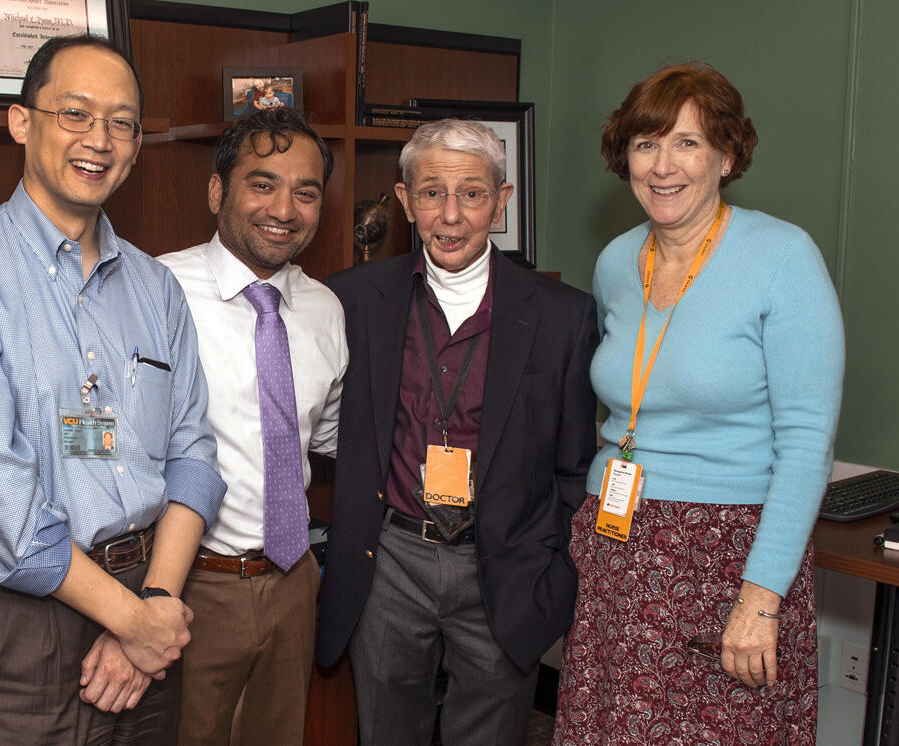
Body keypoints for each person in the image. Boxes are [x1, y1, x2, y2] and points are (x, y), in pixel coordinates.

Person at [0, 34, 227, 745]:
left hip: (150, 586)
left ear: (137, 144)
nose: (98, 140)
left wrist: (155, 603)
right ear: (21, 121)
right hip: (22, 621)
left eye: (121, 122)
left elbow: (193, 453)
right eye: (74, 113)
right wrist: (132, 622)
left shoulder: (155, 286)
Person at [553, 62, 844, 744]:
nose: (662, 165)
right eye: (645, 143)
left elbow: (806, 444)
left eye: (686, 142)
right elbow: (628, 402)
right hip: (618, 549)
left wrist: (762, 598)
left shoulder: (783, 256)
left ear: (728, 154)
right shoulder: (617, 261)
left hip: (728, 557)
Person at [316, 118, 599, 744]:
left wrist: (552, 576)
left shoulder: (562, 316)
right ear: (404, 200)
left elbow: (577, 467)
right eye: (431, 193)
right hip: (389, 563)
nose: (450, 216)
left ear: (501, 203)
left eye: (471, 194)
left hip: (502, 568)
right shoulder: (351, 300)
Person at [158, 107, 346, 745]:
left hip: (294, 584)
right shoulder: (158, 290)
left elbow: (324, 440)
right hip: (191, 586)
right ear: (217, 191)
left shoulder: (325, 309)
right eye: (262, 184)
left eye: (306, 191)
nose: (284, 209)